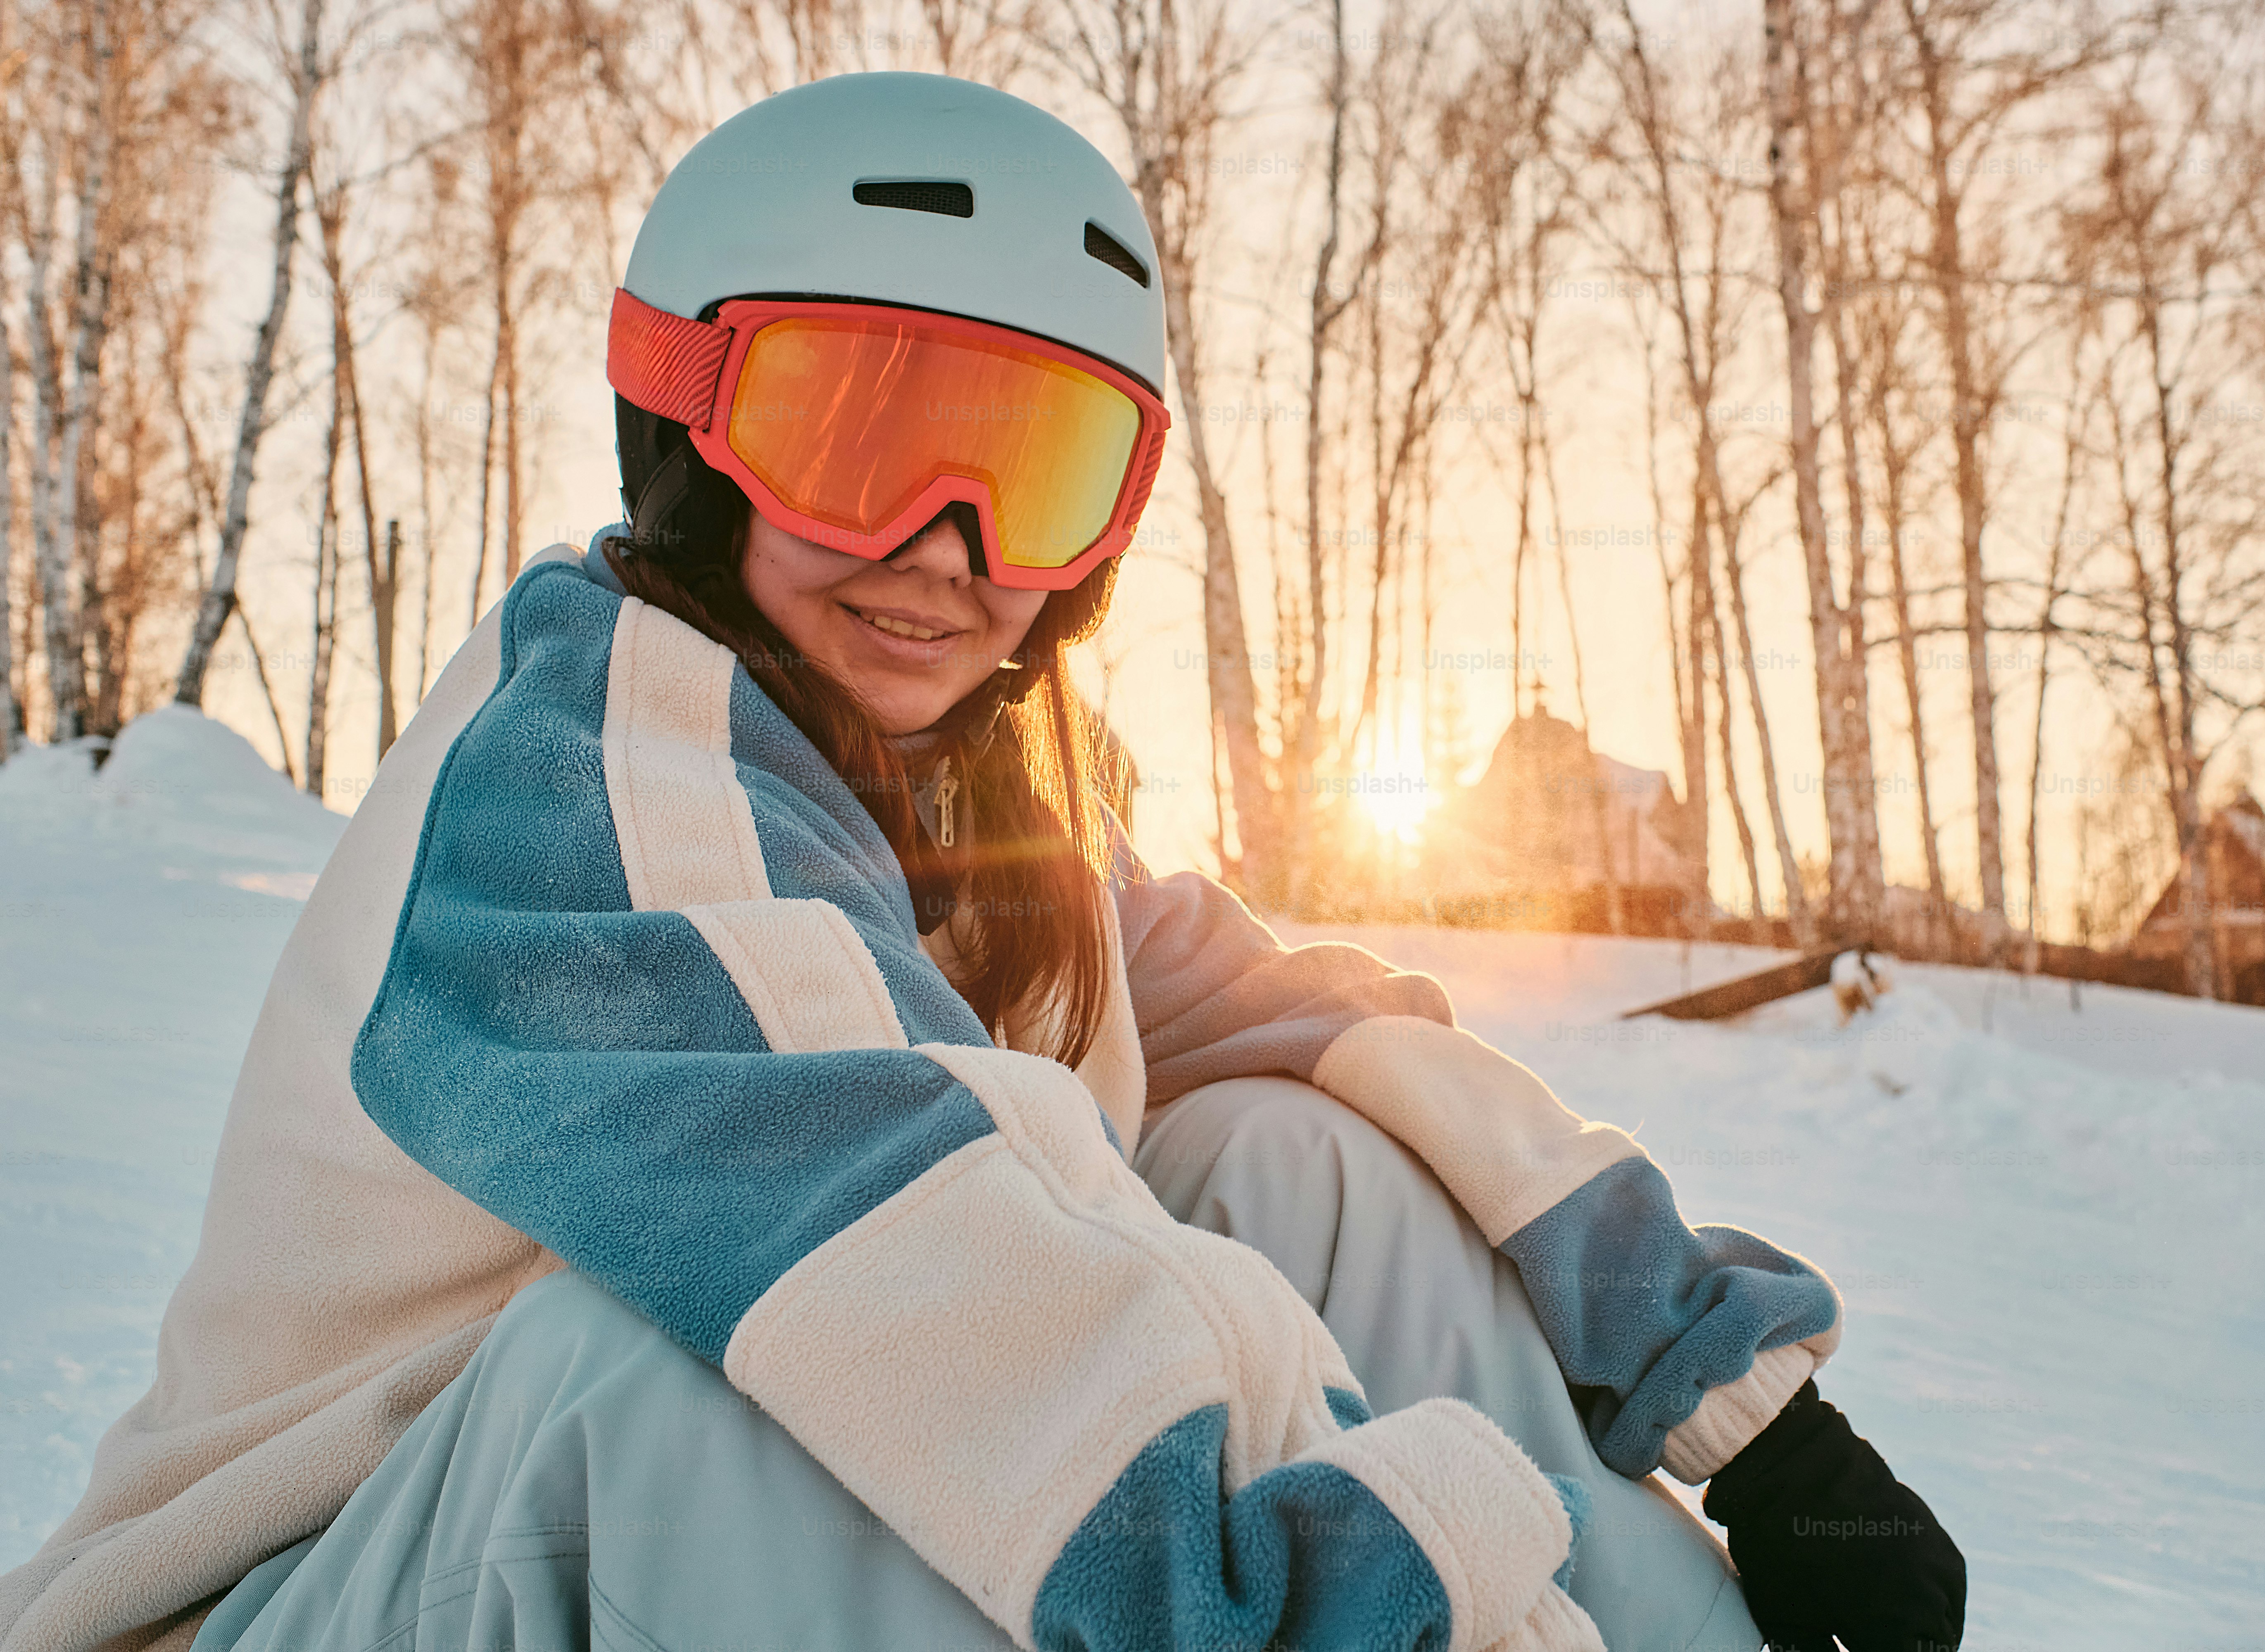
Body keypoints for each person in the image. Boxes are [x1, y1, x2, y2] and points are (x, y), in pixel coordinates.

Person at [0, 74, 1962, 1652]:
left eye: (1024, 468)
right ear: (687, 425)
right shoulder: (587, 771)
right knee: (762, 1369)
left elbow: (1326, 1025)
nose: (944, 548)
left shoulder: (991, 791)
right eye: (857, 437)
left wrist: (1762, 1418)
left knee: (1291, 1152)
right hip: (313, 1585)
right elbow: (926, 1255)